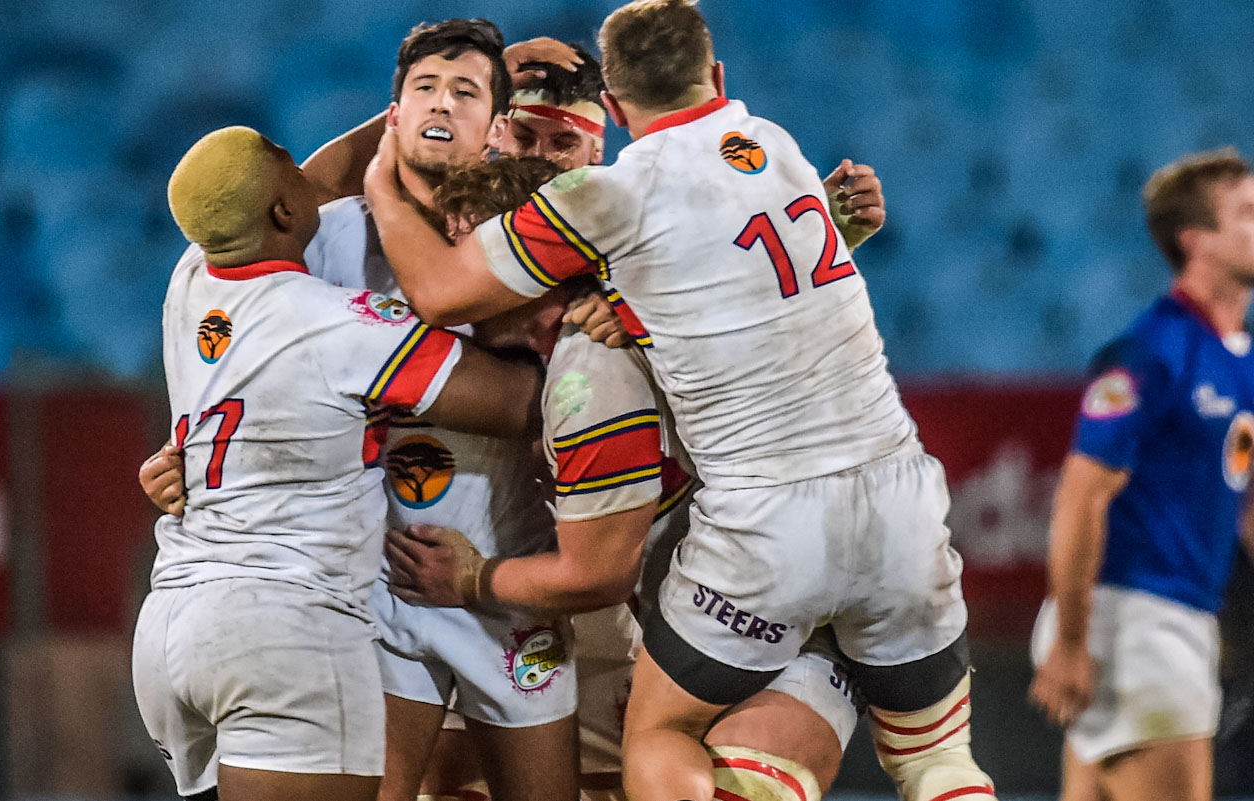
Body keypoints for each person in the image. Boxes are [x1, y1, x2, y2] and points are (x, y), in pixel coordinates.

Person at [359, 2, 995, 800]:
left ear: (606, 132)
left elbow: (594, 566)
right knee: (927, 757)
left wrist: (475, 578)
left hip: (722, 580)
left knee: (670, 751)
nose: (542, 161)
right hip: (883, 513)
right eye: (522, 135)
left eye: (563, 145)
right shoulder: (760, 153)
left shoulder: (596, 326)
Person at [132, 126, 542, 801]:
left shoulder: (191, 276)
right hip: (282, 627)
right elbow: (516, 402)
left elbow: (319, 180)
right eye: (288, 165)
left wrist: (408, 116)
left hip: (173, 622)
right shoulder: (341, 324)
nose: (309, 172)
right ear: (283, 210)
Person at [1030, 147, 1254, 801]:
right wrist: (1073, 642)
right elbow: (1080, 497)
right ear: (1196, 241)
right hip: (1133, 626)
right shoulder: (1151, 352)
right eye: (1246, 213)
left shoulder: (1237, 356)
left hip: (1174, 624)